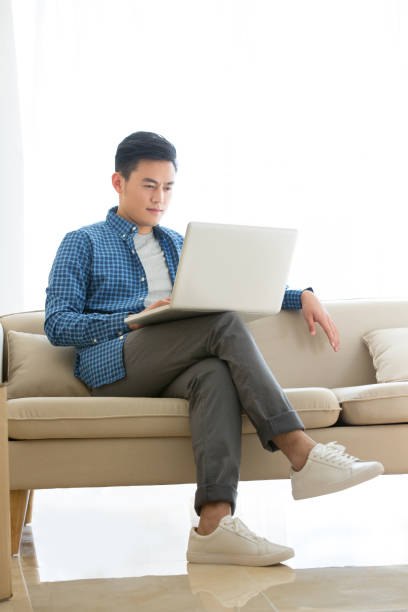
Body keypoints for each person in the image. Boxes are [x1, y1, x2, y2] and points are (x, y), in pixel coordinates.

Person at [45, 131, 384, 567]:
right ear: (118, 183)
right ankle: (300, 451)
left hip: (176, 365)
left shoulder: (177, 243)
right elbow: (57, 324)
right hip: (115, 365)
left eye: (168, 187)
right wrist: (135, 316)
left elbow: (238, 286)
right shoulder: (83, 242)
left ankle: (213, 526)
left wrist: (302, 296)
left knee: (214, 373)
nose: (159, 198)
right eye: (149, 185)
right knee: (221, 322)